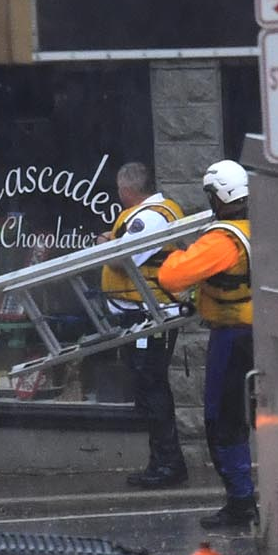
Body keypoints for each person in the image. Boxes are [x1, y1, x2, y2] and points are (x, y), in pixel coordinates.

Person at [149, 159, 256, 531]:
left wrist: (179, 253)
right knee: (240, 417)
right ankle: (242, 498)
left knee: (222, 419)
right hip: (255, 333)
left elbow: (172, 275)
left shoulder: (222, 239)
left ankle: (242, 502)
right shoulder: (257, 227)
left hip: (233, 338)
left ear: (218, 196)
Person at [100, 161, 189, 489]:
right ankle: (163, 461)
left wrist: (103, 242)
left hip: (150, 316)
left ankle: (168, 465)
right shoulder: (156, 213)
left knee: (153, 389)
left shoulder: (149, 217)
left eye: (119, 190)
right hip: (144, 314)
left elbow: (120, 259)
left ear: (127, 190)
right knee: (151, 388)